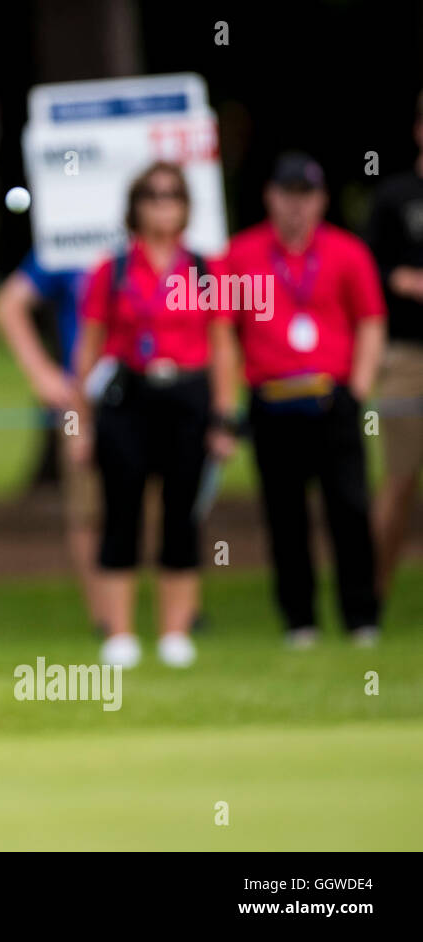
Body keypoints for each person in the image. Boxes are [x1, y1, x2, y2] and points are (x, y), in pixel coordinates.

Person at [73, 161, 238, 668]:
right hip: (129, 398)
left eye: (171, 195)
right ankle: (119, 632)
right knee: (120, 510)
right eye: (151, 195)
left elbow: (223, 345)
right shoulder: (114, 269)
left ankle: (175, 631)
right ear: (136, 207)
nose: (162, 203)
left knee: (181, 515)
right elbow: (89, 350)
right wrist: (79, 422)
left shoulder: (208, 270)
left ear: (186, 206)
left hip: (186, 397)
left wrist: (224, 417)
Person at [227, 153, 385, 648]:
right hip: (271, 401)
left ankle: (361, 618)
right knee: (284, 515)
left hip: (329, 398)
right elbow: (222, 332)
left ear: (321, 200)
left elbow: (371, 322)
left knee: (349, 509)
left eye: (306, 196)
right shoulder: (243, 254)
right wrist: (234, 390)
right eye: (287, 195)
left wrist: (357, 388)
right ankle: (300, 621)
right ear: (270, 196)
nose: (296, 206)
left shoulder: (347, 251)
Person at [0, 252, 104, 631]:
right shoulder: (67, 238)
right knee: (85, 506)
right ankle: (104, 622)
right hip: (78, 403)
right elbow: (8, 303)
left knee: (160, 507)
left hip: (150, 396)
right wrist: (41, 374)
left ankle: (177, 616)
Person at [365, 92, 423, 599]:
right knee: (399, 479)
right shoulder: (395, 197)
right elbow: (366, 270)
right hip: (406, 355)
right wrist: (399, 278)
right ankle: (371, 596)